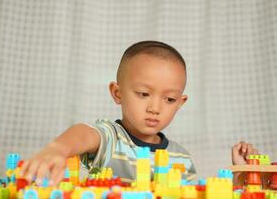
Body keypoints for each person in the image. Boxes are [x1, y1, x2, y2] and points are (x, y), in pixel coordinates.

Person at [21, 41, 258, 186]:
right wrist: (57, 149)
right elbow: (84, 133)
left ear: (180, 103)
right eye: (143, 94)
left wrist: (242, 175)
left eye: (169, 99)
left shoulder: (181, 159)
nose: (155, 107)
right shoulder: (111, 139)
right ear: (117, 93)